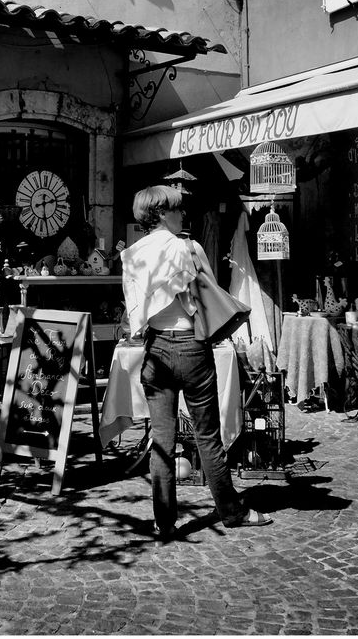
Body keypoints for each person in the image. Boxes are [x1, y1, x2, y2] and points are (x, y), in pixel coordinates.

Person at [120, 185, 272, 542]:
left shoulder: (132, 255)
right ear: (160, 213)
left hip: (155, 348)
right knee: (207, 435)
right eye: (175, 210)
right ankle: (231, 512)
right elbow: (208, 293)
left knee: (162, 440)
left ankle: (164, 522)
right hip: (190, 346)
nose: (181, 215)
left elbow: (135, 310)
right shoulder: (188, 247)